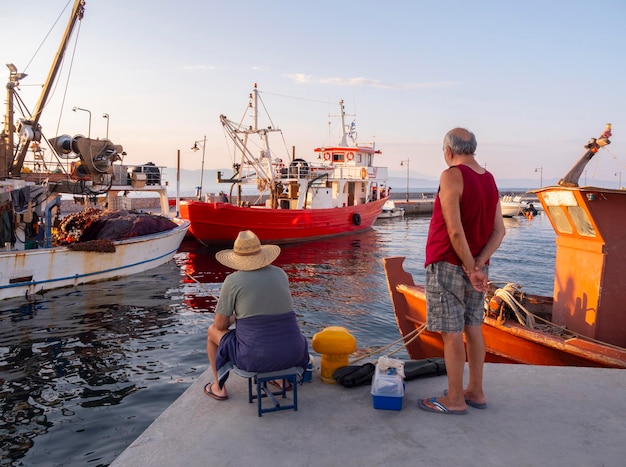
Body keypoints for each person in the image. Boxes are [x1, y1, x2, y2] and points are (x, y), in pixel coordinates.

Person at [418, 128, 505, 415]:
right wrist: (479, 264)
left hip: (448, 264)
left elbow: (454, 232)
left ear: (448, 150)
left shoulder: (451, 176)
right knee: (473, 327)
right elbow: (499, 231)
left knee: (451, 332)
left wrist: (470, 267)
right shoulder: (489, 179)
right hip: (476, 266)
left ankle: (454, 399)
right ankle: (475, 391)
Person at [204, 230, 309, 400]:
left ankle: (218, 387)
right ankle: (282, 380)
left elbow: (220, 326)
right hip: (295, 352)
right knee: (274, 337)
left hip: (255, 357)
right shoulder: (280, 274)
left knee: (211, 332)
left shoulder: (233, 281)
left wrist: (233, 317)